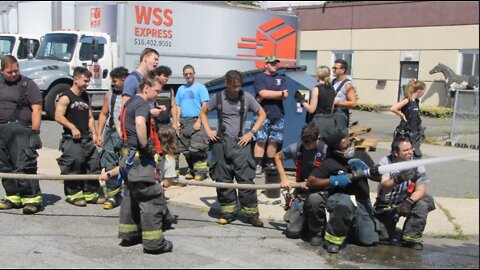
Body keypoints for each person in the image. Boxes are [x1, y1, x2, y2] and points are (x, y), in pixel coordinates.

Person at [200, 70, 266, 227]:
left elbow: (262, 114)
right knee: (223, 180)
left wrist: (251, 133)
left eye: (238, 86)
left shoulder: (247, 98)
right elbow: (203, 112)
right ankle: (228, 213)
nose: (236, 90)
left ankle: (251, 215)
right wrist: (208, 130)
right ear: (226, 83)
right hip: (220, 145)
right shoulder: (218, 97)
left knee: (245, 181)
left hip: (241, 145)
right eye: (233, 86)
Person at [117, 72, 173, 255]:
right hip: (139, 160)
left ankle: (129, 235)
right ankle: (154, 244)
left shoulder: (129, 103)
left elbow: (120, 124)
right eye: (156, 91)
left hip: (127, 158)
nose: (158, 95)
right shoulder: (141, 103)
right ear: (146, 88)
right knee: (151, 200)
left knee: (131, 197)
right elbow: (141, 124)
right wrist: (146, 145)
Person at [306, 131, 381, 253]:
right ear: (336, 150)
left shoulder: (361, 155)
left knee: (368, 240)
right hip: (341, 197)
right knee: (343, 205)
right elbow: (311, 181)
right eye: (345, 148)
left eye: (350, 144)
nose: (350, 148)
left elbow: (380, 178)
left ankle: (347, 228)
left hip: (361, 200)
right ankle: (333, 240)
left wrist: (368, 170)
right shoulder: (330, 162)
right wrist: (334, 180)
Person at [374, 137, 435, 250]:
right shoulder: (386, 162)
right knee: (382, 238)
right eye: (406, 150)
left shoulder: (417, 165)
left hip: (406, 200)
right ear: (396, 153)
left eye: (411, 148)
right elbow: (385, 185)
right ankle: (393, 230)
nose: (410, 152)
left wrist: (408, 202)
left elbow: (421, 190)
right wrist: (398, 179)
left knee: (422, 204)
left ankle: (411, 238)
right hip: (387, 204)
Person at [0, 55, 43, 214]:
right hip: (1, 131)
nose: (13, 74)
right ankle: (12, 196)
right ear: (2, 71)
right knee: (4, 165)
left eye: (16, 71)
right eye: (9, 72)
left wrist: (35, 132)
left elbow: (37, 109)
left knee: (24, 165)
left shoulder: (28, 84)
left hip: (21, 130)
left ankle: (31, 199)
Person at [55, 67, 104, 207]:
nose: (87, 84)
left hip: (86, 139)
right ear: (75, 80)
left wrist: (94, 133)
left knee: (94, 165)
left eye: (88, 81)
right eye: (85, 81)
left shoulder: (85, 96)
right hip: (72, 140)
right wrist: (72, 127)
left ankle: (90, 193)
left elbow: (89, 117)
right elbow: (58, 116)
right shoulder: (65, 97)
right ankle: (73, 194)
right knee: (73, 166)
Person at [275, 122, 328, 243]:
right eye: (305, 143)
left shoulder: (325, 150)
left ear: (317, 138)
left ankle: (317, 230)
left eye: (310, 144)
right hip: (302, 191)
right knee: (292, 233)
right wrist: (283, 178)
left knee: (314, 201)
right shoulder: (296, 148)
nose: (307, 146)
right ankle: (304, 221)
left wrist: (314, 182)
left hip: (321, 190)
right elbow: (278, 157)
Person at [97, 66, 129, 210]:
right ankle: (112, 195)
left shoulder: (134, 93)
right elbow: (104, 114)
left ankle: (127, 194)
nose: (113, 83)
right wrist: (99, 133)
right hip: (111, 133)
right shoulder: (109, 93)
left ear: (124, 80)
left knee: (126, 163)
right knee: (109, 162)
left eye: (115, 81)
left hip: (127, 134)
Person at [252, 55, 288, 176]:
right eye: (272, 63)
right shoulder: (259, 78)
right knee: (260, 140)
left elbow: (285, 94)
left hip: (277, 114)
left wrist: (268, 94)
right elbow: (262, 93)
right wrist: (278, 93)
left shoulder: (281, 78)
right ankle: (258, 165)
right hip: (262, 114)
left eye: (276, 63)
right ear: (265, 65)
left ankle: (270, 164)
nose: (275, 65)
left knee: (274, 140)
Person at [175, 64, 210, 181]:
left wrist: (199, 121)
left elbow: (205, 105)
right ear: (183, 75)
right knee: (185, 150)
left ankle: (201, 172)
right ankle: (191, 169)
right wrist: (177, 121)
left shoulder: (200, 87)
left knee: (197, 148)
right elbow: (177, 106)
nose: (188, 75)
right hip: (184, 122)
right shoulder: (180, 89)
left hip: (196, 120)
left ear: (194, 73)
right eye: (186, 74)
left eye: (190, 73)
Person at [295, 66, 339, 139]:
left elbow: (311, 109)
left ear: (318, 76)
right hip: (329, 122)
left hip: (318, 122)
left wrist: (301, 100)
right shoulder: (332, 88)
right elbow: (332, 107)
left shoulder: (316, 89)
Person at [390, 79, 427, 158]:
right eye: (424, 91)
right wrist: (401, 114)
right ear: (419, 91)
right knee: (402, 155)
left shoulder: (416, 101)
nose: (424, 93)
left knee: (415, 155)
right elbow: (393, 108)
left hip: (414, 133)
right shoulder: (407, 100)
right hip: (406, 133)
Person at [332, 59, 357, 127]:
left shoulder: (347, 85)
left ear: (343, 70)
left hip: (341, 114)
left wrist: (337, 102)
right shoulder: (333, 81)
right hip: (332, 114)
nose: (333, 70)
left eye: (335, 68)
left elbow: (353, 103)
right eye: (333, 68)